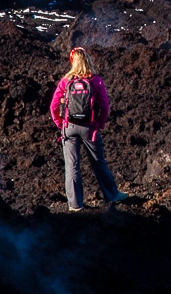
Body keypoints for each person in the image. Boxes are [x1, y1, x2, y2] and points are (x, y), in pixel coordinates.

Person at [50, 47, 129, 211]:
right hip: (89, 128)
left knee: (72, 166)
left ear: (73, 62)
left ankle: (75, 205)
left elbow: (53, 106)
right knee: (98, 162)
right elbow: (105, 107)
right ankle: (112, 195)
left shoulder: (65, 81)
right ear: (88, 60)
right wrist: (99, 124)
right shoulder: (95, 80)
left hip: (69, 128)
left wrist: (61, 124)